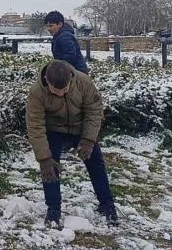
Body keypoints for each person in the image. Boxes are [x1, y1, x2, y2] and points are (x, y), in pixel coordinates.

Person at [25, 60, 118, 228]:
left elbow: (94, 111)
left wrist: (89, 141)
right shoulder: (36, 92)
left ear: (71, 79)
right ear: (47, 80)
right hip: (54, 129)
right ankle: (53, 209)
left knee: (96, 163)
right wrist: (44, 159)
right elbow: (35, 125)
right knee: (50, 169)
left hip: (81, 128)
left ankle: (107, 205)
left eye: (65, 90)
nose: (60, 94)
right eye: (55, 91)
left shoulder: (83, 82)